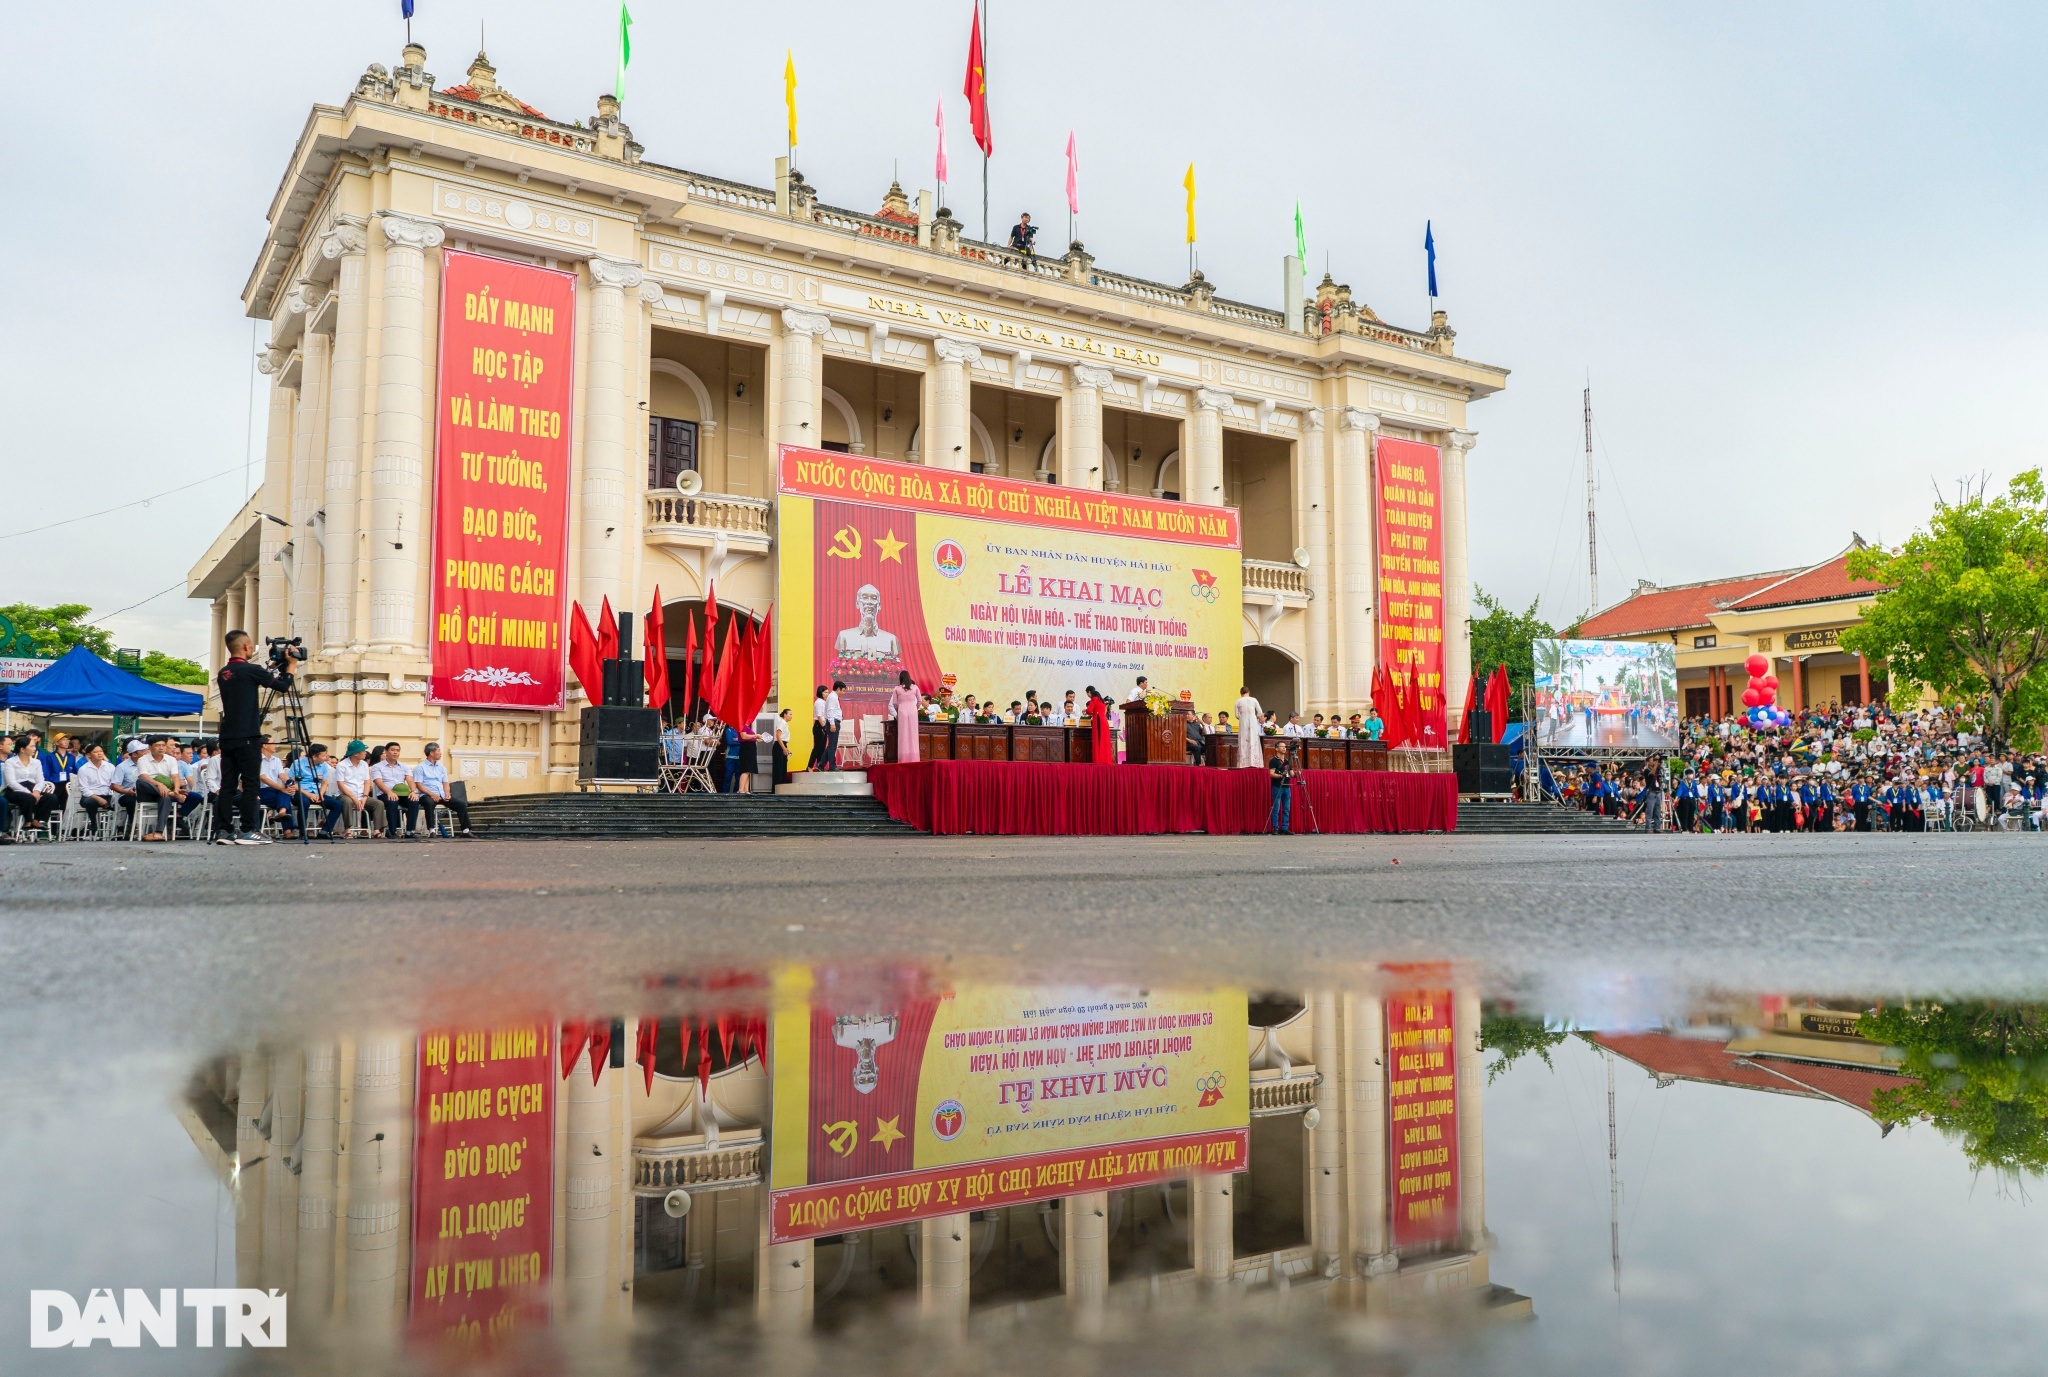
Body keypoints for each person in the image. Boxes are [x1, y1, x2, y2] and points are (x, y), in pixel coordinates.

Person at [214, 629, 291, 845]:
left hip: (227, 735)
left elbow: (249, 680)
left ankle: (224, 831)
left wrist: (273, 669)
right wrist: (291, 666)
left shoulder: (223, 672)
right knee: (250, 785)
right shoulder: (251, 670)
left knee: (228, 784)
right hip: (247, 734)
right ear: (247, 646)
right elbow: (283, 686)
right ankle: (248, 830)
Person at [412, 742, 472, 837]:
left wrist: (447, 793)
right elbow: (419, 785)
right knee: (429, 803)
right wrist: (432, 795)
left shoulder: (441, 767)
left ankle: (465, 830)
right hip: (426, 795)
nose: (440, 753)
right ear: (431, 753)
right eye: (438, 750)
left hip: (441, 794)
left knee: (460, 804)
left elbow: (445, 783)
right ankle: (431, 830)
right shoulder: (420, 767)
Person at [3, 737, 57, 837]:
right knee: (28, 797)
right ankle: (27, 821)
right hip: (15, 790)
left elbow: (40, 780)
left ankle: (37, 820)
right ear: (22, 749)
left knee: (51, 797)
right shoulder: (10, 762)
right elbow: (11, 783)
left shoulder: (36, 762)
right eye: (31, 746)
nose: (34, 748)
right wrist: (29, 793)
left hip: (33, 788)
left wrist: (36, 791)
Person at [292, 743, 345, 838]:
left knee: (338, 805)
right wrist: (308, 794)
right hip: (301, 792)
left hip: (317, 793)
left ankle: (325, 831)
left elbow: (325, 782)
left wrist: (320, 794)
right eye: (323, 755)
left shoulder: (323, 765)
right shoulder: (297, 764)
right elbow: (291, 782)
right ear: (314, 756)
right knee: (304, 802)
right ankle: (302, 831)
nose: (325, 758)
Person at [371, 742, 419, 837]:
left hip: (402, 793)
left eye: (397, 750)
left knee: (414, 801)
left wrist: (413, 791)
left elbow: (410, 780)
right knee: (392, 801)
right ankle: (392, 831)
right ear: (386, 751)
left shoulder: (404, 766)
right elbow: (378, 782)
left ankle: (410, 831)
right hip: (385, 793)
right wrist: (389, 792)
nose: (395, 753)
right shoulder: (377, 767)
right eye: (392, 750)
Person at [334, 740, 373, 837]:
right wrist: (354, 798)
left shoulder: (364, 764)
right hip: (345, 794)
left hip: (361, 794)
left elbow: (367, 781)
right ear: (356, 754)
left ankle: (377, 830)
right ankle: (348, 829)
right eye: (363, 751)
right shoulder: (342, 765)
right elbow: (341, 785)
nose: (365, 753)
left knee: (378, 804)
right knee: (347, 802)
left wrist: (365, 796)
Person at [886, 669, 922, 763]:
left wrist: (899, 709)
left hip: (902, 711)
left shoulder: (897, 688)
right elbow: (920, 701)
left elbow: (894, 703)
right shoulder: (915, 687)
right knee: (913, 735)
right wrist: (915, 708)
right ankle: (914, 759)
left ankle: (903, 759)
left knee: (903, 735)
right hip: (913, 711)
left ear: (900, 678)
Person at [1267, 741, 1297, 835]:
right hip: (1277, 786)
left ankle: (1284, 828)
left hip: (1287, 787)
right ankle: (1275, 828)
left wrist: (1296, 774)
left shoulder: (1287, 761)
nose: (1284, 748)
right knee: (1276, 808)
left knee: (1286, 808)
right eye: (1282, 746)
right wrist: (1281, 776)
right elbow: (1272, 774)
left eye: (1285, 747)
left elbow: (1291, 774)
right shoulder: (1273, 761)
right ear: (1276, 748)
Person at [1234, 687, 1263, 768]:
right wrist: (1255, 717)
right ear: (1249, 692)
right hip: (1252, 720)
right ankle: (1255, 762)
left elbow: (1236, 715)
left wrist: (1242, 718)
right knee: (1253, 739)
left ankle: (1243, 763)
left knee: (1243, 740)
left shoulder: (1238, 701)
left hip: (1243, 721)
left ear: (1240, 693)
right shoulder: (1254, 700)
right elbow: (1260, 712)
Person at [1085, 686, 1114, 764]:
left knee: (1098, 739)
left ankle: (1099, 760)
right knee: (1104, 740)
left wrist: (1085, 710)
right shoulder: (1101, 700)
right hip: (1103, 720)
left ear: (1089, 692)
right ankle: (1105, 759)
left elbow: (1089, 710)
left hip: (1098, 720)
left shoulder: (1094, 699)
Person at [822, 680, 845, 771]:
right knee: (832, 745)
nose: (843, 693)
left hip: (834, 722)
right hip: (833, 722)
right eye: (843, 690)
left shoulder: (833, 697)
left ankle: (821, 764)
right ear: (838, 689)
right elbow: (830, 711)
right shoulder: (833, 697)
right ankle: (832, 765)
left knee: (831, 745)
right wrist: (832, 723)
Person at [811, 685, 831, 771]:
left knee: (822, 748)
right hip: (819, 726)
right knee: (817, 747)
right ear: (820, 692)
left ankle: (819, 766)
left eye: (828, 692)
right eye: (825, 692)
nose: (827, 694)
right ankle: (809, 766)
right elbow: (819, 716)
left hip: (824, 726)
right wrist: (824, 727)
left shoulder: (824, 702)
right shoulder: (819, 702)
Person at [772, 709, 794, 788]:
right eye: (790, 714)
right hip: (779, 746)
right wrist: (784, 748)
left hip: (783, 745)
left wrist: (786, 748)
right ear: (785, 714)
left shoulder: (785, 724)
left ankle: (782, 787)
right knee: (778, 768)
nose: (791, 716)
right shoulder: (781, 723)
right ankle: (777, 788)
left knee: (783, 767)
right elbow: (778, 736)